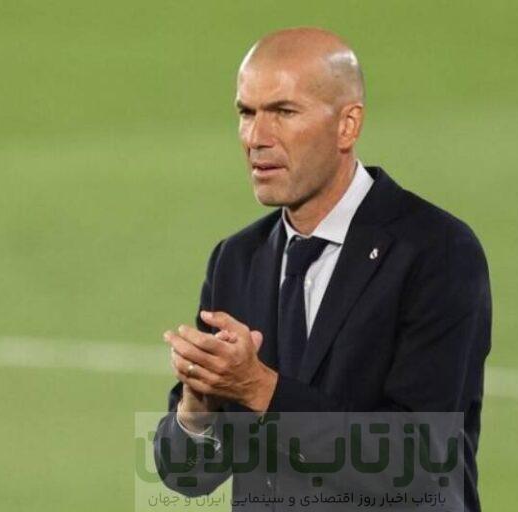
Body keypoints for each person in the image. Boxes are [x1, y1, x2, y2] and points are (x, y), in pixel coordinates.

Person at [154, 27, 491, 511]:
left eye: (284, 112)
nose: (256, 138)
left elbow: (418, 462)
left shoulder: (436, 251)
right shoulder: (237, 259)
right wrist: (196, 409)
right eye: (246, 113)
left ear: (347, 125)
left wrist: (259, 389)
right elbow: (188, 477)